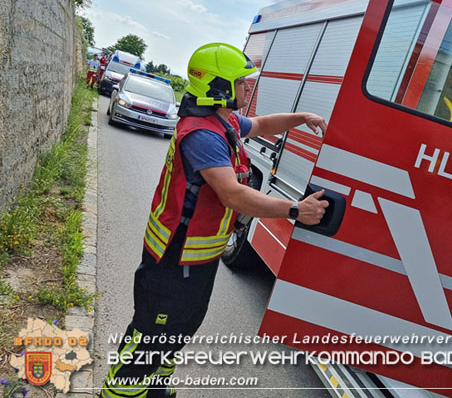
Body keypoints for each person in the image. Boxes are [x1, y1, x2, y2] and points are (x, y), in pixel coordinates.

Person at [101, 43, 329, 398]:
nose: (248, 87)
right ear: (218, 87)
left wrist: (302, 117)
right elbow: (232, 194)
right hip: (173, 258)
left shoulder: (225, 122)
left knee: (180, 328)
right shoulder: (203, 135)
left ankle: (155, 389)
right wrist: (296, 210)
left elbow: (265, 123)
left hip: (197, 258)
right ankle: (120, 393)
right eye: (241, 82)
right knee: (151, 334)